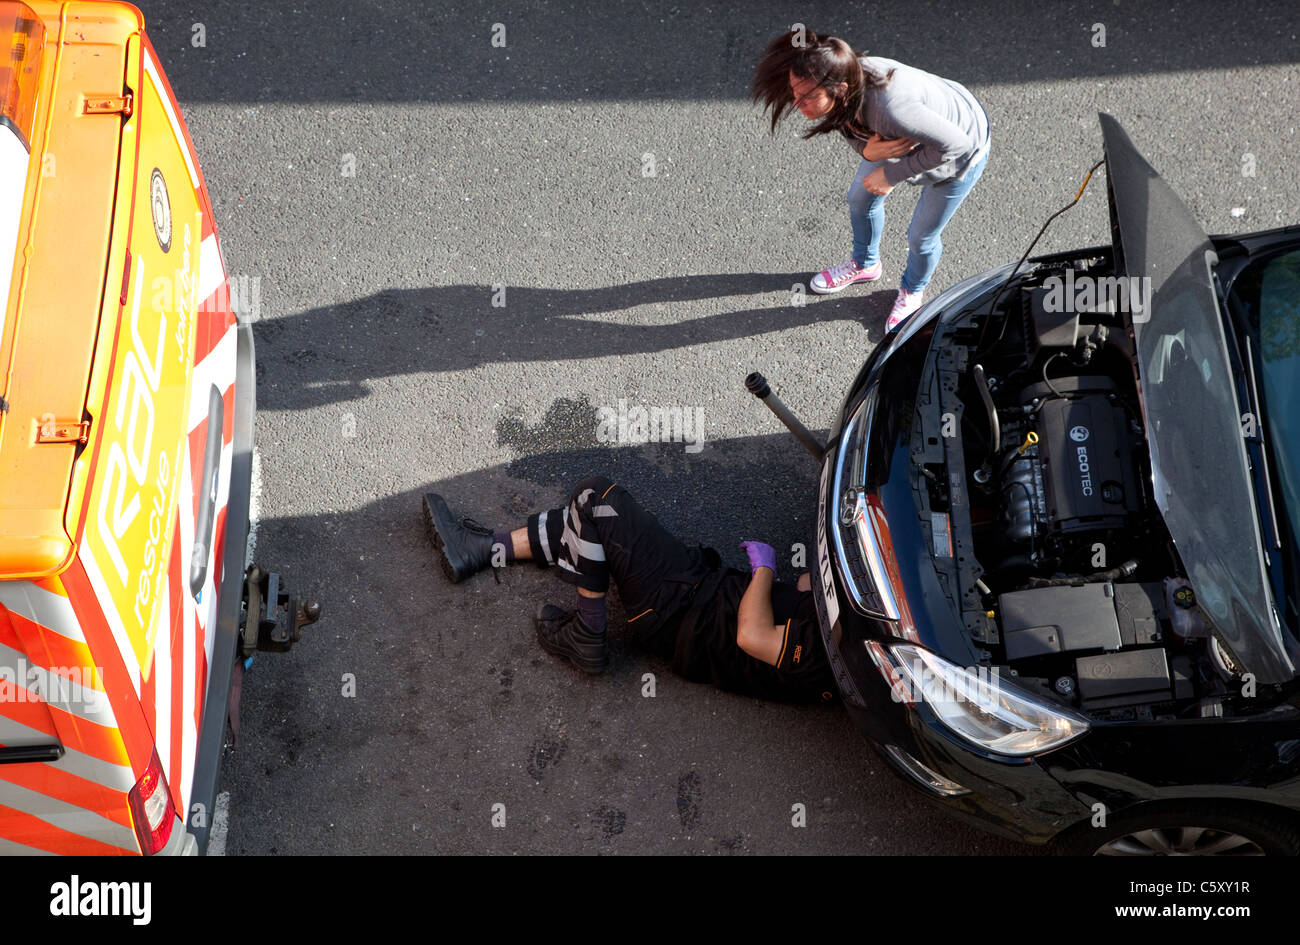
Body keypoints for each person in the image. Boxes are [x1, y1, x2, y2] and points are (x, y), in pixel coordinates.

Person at [422, 477, 837, 704]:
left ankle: (587, 631)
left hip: (682, 610)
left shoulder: (832, 653)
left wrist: (764, 569)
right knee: (597, 531)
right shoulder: (848, 646)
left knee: (596, 500)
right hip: (697, 596)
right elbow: (805, 591)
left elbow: (752, 636)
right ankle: (482, 550)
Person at [751, 30, 991, 331]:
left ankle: (912, 290)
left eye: (807, 97)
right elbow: (847, 126)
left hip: (962, 145)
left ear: (840, 89)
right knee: (859, 198)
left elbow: (957, 145)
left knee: (921, 237)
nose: (797, 103)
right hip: (905, 137)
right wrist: (867, 149)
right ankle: (865, 264)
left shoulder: (891, 110)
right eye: (794, 92)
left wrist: (890, 174)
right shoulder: (842, 76)